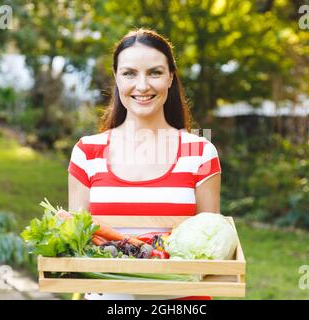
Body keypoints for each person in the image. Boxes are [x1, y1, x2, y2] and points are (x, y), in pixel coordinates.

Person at [68, 28, 221, 300]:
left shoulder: (200, 152)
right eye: (129, 73)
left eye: (155, 72)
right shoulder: (86, 152)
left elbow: (212, 248)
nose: (142, 86)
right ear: (116, 77)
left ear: (171, 78)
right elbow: (78, 245)